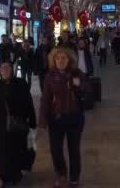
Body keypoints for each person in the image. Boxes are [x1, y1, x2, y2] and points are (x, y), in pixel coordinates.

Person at [39, 47, 87, 188]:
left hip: (75, 117)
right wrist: (42, 122)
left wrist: (79, 85)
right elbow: (45, 100)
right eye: (58, 58)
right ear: (54, 60)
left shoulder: (77, 73)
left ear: (69, 60)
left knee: (74, 149)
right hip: (56, 118)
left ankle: (74, 178)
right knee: (56, 150)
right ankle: (61, 174)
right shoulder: (50, 76)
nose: (60, 61)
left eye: (64, 58)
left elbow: (89, 89)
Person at [0, 63, 37, 187]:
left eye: (7, 68)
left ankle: (15, 174)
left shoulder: (21, 84)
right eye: (3, 68)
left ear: (12, 70)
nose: (5, 71)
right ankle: (5, 178)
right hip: (1, 127)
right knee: (2, 153)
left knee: (17, 150)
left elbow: (29, 102)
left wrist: (32, 121)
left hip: (18, 125)